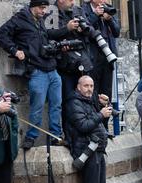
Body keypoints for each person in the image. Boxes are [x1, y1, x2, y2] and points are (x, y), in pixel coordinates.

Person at [0, 0, 73, 149]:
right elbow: (1, 34)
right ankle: (31, 137)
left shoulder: (39, 21)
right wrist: (14, 50)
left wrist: (59, 43)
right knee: (36, 106)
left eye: (45, 8)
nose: (44, 11)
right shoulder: (20, 18)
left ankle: (55, 136)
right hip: (37, 71)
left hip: (52, 70)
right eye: (41, 8)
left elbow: (46, 38)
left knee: (56, 106)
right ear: (32, 7)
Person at [65, 76, 121, 183]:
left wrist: (105, 105)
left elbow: (97, 121)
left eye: (91, 86)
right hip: (86, 149)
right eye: (86, 86)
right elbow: (83, 126)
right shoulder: (73, 103)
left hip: (98, 149)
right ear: (78, 87)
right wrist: (101, 114)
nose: (89, 89)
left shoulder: (90, 102)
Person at [50, 0, 94, 134]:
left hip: (82, 62)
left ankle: (88, 131)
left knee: (87, 97)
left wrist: (83, 29)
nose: (73, 2)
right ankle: (69, 134)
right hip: (64, 65)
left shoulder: (78, 10)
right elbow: (48, 34)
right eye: (70, 0)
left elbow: (90, 30)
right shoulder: (51, 12)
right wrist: (66, 29)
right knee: (68, 101)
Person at [83, 0, 120, 129]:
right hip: (92, 58)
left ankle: (104, 127)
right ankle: (94, 127)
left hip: (107, 58)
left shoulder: (108, 8)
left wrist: (109, 19)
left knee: (106, 94)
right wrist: (95, 15)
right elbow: (84, 28)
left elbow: (117, 32)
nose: (106, 0)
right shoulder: (84, 9)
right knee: (93, 93)